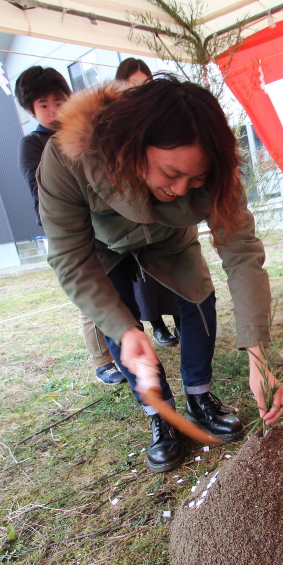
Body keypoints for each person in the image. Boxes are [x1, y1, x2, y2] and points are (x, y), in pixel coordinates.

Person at [37, 75, 283, 472]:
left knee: (198, 300)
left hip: (171, 239)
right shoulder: (68, 156)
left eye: (197, 178)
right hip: (106, 249)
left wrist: (258, 355)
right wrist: (125, 329)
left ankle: (200, 396)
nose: (183, 189)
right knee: (119, 323)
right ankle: (160, 415)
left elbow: (241, 251)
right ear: (133, 146)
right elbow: (70, 256)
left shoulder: (216, 169)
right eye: (170, 174)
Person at [15, 65, 126, 386]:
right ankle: (101, 360)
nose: (53, 110)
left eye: (58, 100)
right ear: (30, 110)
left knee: (113, 289)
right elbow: (42, 193)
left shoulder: (84, 130)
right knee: (90, 293)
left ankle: (122, 348)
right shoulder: (34, 144)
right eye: (43, 105)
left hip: (102, 224)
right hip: (68, 228)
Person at [114, 58, 181, 348]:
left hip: (164, 210)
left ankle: (181, 320)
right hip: (130, 216)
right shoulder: (114, 125)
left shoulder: (162, 121)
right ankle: (156, 325)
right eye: (132, 86)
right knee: (144, 277)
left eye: (145, 85)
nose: (139, 92)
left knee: (174, 270)